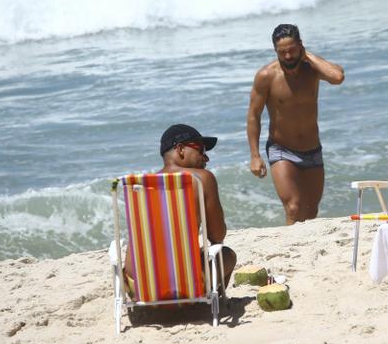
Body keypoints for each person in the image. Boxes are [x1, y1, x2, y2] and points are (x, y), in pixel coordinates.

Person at [246, 24, 345, 225]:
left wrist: (308, 56)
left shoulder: (313, 69)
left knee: (311, 211)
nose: (288, 56)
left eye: (292, 50)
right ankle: (289, 249)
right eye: (282, 52)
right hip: (281, 149)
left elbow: (337, 77)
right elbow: (253, 116)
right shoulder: (266, 76)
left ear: (301, 45)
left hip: (312, 149)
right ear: (276, 51)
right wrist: (255, 156)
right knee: (293, 206)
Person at [125, 124, 236, 289]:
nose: (206, 158)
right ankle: (206, 304)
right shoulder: (202, 179)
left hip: (139, 285)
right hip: (186, 283)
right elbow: (217, 236)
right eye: (201, 150)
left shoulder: (141, 185)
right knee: (227, 254)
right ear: (180, 149)